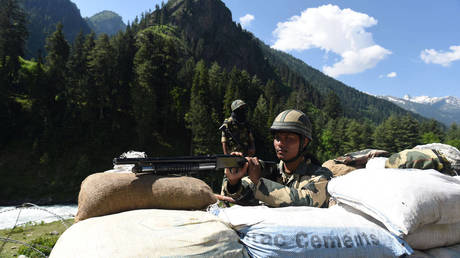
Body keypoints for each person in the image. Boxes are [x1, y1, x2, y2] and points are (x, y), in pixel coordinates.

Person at [221, 109, 332, 207]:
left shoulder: (320, 176)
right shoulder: (271, 171)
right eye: (277, 138)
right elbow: (243, 194)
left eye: (289, 139)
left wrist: (258, 182)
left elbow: (306, 201)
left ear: (304, 142)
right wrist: (234, 182)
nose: (281, 144)